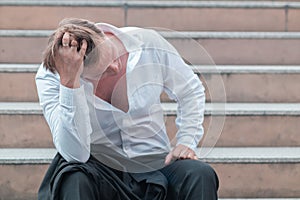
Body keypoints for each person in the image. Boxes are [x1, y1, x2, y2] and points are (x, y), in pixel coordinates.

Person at [36, 18, 219, 200]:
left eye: (114, 56)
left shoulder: (147, 43)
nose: (115, 67)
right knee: (74, 177)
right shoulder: (52, 77)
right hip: (98, 166)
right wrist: (70, 83)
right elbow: (75, 153)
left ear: (104, 34)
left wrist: (186, 140)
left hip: (155, 160)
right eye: (104, 72)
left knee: (200, 174)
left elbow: (190, 89)